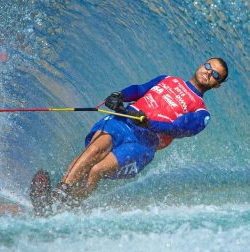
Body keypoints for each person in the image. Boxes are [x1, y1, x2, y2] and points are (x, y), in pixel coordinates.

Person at [34, 57, 228, 212]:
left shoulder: (202, 113)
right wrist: (121, 95)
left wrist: (148, 122)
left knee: (97, 170)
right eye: (208, 66)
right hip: (124, 121)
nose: (209, 72)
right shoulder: (168, 79)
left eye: (216, 75)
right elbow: (139, 90)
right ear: (201, 65)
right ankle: (56, 196)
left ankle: (68, 205)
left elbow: (179, 128)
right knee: (93, 150)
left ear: (217, 85)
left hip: (144, 142)